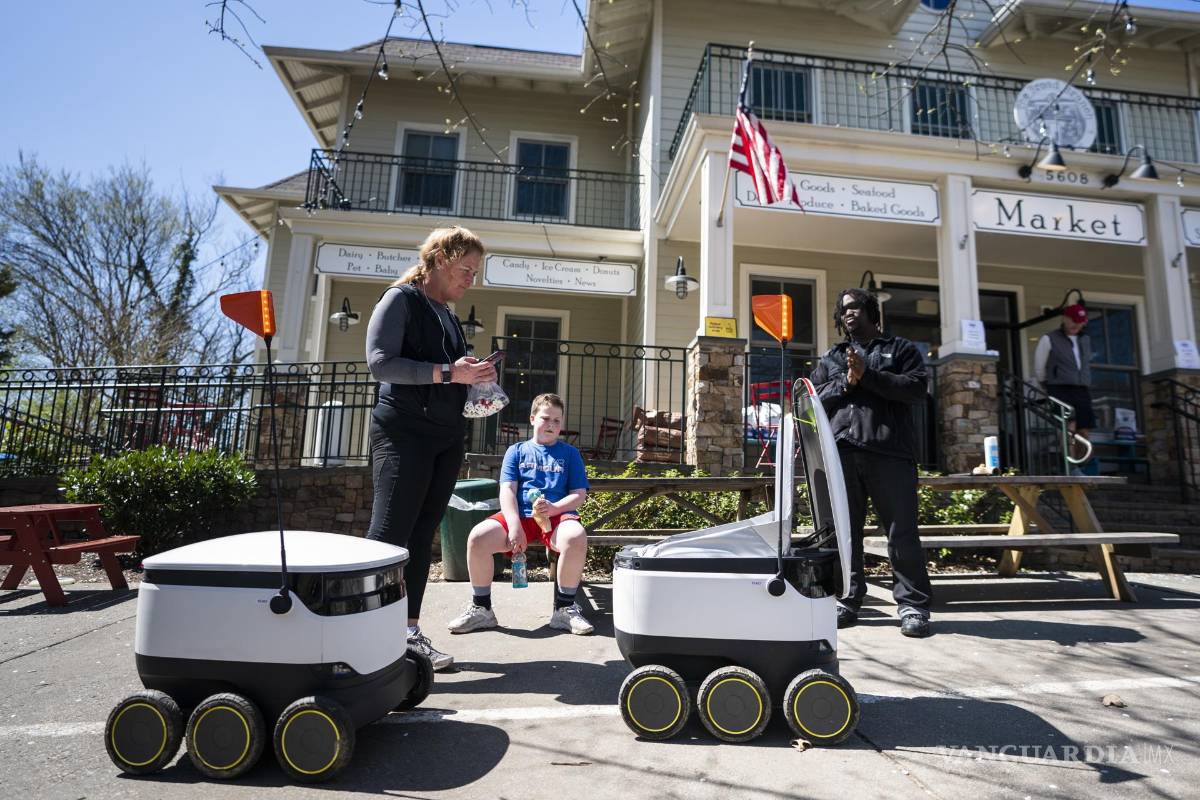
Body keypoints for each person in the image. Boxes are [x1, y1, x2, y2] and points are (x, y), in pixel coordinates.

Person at [365, 225, 497, 671]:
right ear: (440, 259)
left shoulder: (448, 313)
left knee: (422, 537)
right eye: (465, 270)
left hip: (445, 435)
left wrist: (475, 377)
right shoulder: (400, 299)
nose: (470, 280)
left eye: (475, 273)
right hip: (402, 431)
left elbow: (451, 371)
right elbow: (380, 363)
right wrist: (447, 372)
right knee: (389, 535)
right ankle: (363, 636)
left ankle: (408, 634)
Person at [808, 288, 933, 638]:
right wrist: (846, 384)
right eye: (843, 310)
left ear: (870, 312)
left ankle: (913, 606)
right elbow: (815, 400)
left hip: (889, 452)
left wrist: (870, 376)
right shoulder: (832, 358)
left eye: (855, 307)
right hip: (842, 453)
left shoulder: (901, 349)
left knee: (901, 533)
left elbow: (916, 390)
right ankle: (847, 600)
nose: (849, 314)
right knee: (846, 535)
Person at [446, 393, 594, 635]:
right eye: (546, 418)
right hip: (521, 516)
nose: (552, 425)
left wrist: (555, 508)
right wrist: (514, 525)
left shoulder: (569, 454)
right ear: (533, 418)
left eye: (558, 421)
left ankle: (564, 610)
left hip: (555, 518)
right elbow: (507, 490)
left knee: (576, 536)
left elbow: (579, 494)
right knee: (478, 537)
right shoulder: (516, 451)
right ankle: (481, 609)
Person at [1034, 304, 1095, 465]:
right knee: (1068, 428)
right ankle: (1071, 466)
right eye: (1073, 320)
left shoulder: (1085, 339)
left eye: (1080, 321)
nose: (1076, 324)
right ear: (1065, 318)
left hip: (1081, 388)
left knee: (1084, 429)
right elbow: (1040, 366)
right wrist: (1046, 385)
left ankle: (1083, 465)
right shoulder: (1050, 338)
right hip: (1059, 388)